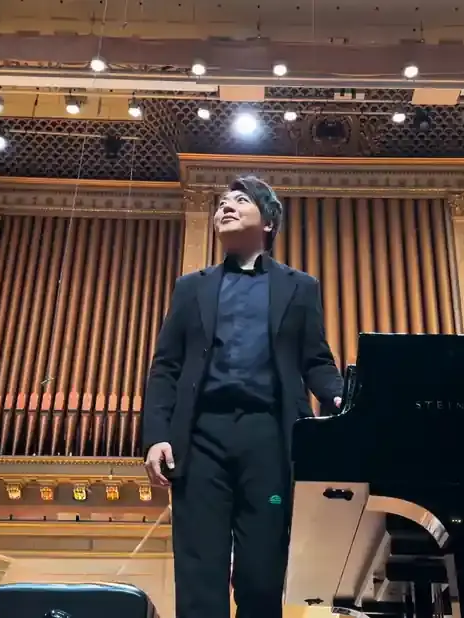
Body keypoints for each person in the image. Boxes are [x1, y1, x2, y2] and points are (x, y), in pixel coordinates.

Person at [142, 175, 344, 618]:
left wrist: (343, 400)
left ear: (269, 221)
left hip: (270, 438)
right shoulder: (191, 286)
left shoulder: (300, 286)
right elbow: (167, 367)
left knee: (262, 570)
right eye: (221, 202)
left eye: (240, 200)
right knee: (199, 569)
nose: (225, 206)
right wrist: (156, 434)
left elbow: (316, 361)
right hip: (199, 440)